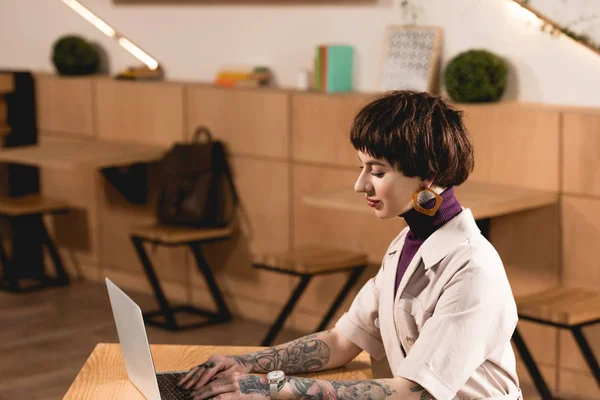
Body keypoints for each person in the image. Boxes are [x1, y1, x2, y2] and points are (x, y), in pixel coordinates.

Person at [178, 90, 521, 400]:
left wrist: (268, 387)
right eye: (362, 167)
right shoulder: (406, 244)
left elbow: (417, 392)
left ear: (427, 175)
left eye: (378, 172)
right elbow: (342, 342)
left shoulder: (473, 269)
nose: (360, 185)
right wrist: (242, 364)